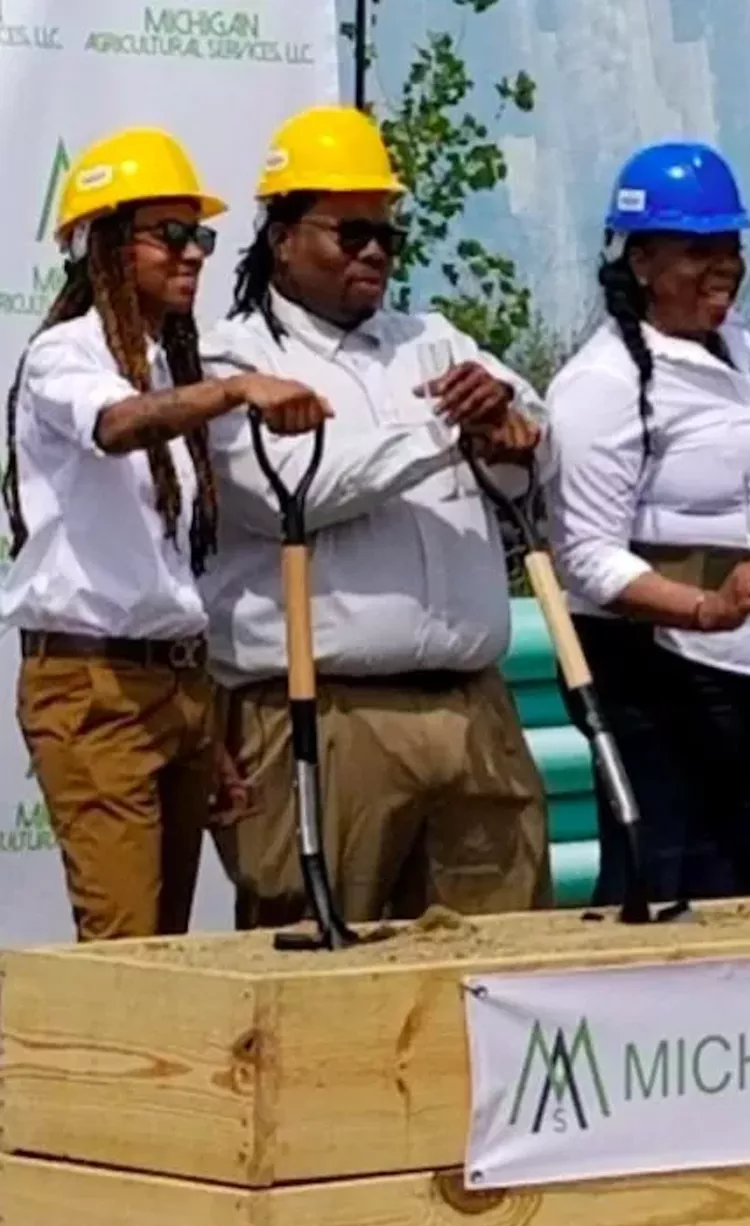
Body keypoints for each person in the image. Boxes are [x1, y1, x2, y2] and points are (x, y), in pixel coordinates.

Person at [199, 104, 551, 929]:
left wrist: (506, 420)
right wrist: (443, 430)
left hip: (472, 703)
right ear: (282, 237)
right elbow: (293, 490)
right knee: (323, 956)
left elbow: (534, 440)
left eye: (386, 235)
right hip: (329, 710)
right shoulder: (235, 358)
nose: (373, 252)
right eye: (348, 232)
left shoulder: (433, 338)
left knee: (501, 953)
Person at [0, 126, 328, 941]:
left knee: (167, 944)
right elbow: (114, 426)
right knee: (127, 944)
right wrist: (235, 391)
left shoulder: (170, 362)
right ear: (104, 245)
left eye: (201, 236)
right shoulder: (62, 355)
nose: (192, 254)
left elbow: (171, 570)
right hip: (94, 688)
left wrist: (203, 724)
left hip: (179, 685)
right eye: (169, 235)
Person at [545, 141, 750, 907]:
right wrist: (705, 607)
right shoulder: (603, 385)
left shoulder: (742, 351)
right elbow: (585, 556)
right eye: (699, 250)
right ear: (642, 261)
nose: (724, 265)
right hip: (660, 683)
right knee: (680, 895)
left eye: (732, 247)